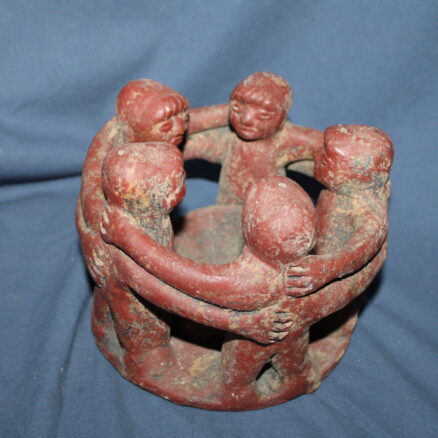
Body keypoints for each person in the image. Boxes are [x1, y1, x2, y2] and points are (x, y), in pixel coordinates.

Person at [100, 143, 293, 377]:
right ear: (167, 195)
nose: (184, 183)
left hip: (154, 303)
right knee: (153, 365)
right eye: (180, 179)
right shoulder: (125, 250)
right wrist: (240, 323)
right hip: (145, 329)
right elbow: (173, 299)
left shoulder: (140, 222)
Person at [76, 79, 229, 368]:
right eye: (166, 123)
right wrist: (93, 240)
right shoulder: (110, 145)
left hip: (145, 224)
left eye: (182, 118)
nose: (179, 128)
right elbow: (90, 199)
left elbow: (196, 119)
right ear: (132, 127)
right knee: (133, 306)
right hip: (117, 234)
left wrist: (232, 111)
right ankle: (139, 348)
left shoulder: (161, 128)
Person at [285, 124, 393, 296]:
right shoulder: (344, 185)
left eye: (325, 158)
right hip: (318, 248)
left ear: (356, 177)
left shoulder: (371, 216)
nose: (316, 155)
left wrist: (327, 268)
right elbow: (314, 168)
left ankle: (347, 313)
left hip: (337, 271)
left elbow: (354, 254)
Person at [183, 72, 323, 204]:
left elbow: (332, 151)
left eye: (263, 115)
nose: (246, 119)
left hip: (270, 214)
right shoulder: (227, 140)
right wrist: (226, 112)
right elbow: (178, 126)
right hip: (228, 212)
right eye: (237, 109)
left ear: (282, 117)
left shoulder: (288, 141)